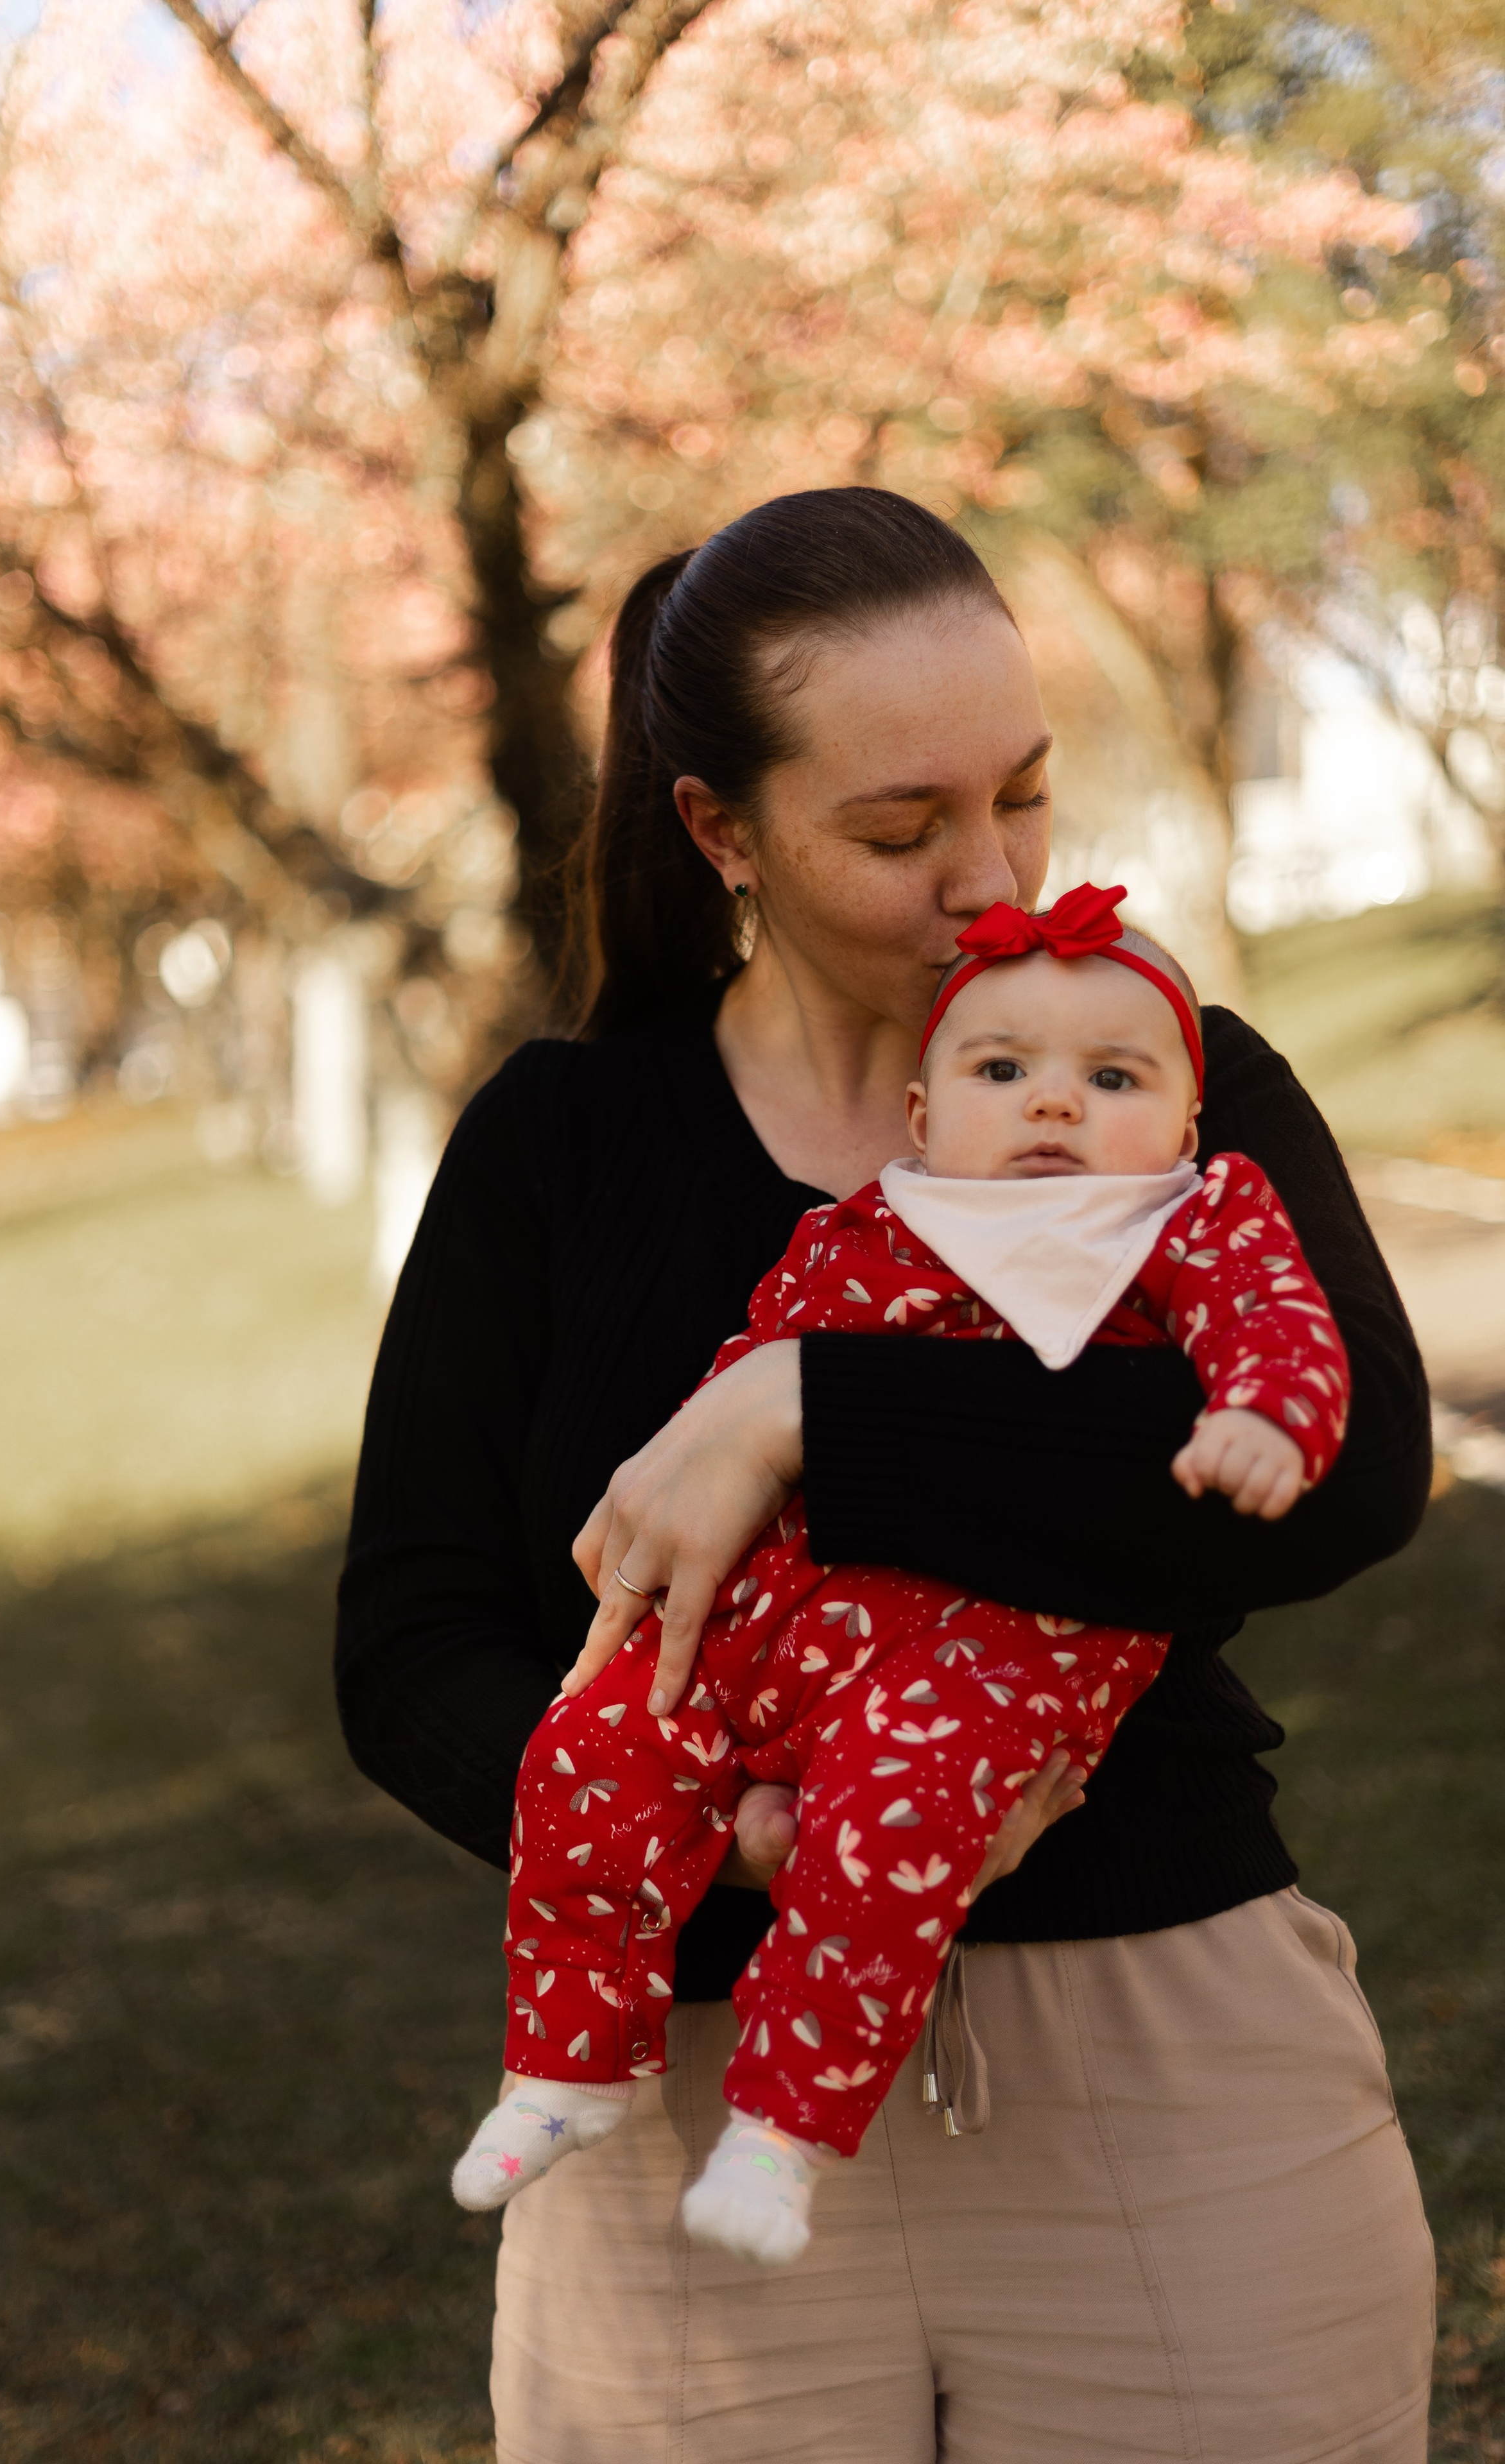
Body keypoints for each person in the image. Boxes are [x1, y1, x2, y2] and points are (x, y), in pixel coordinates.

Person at [337, 488, 1436, 2460]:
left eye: (1023, 794)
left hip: (1167, 2072)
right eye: (902, 829)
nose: (992, 877)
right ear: (723, 831)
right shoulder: (564, 1145)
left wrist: (807, 1409)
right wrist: (723, 1841)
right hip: (684, 2121)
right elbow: (411, 1646)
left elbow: (1347, 1472)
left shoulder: (1166, 1082)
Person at [449, 885, 1350, 2270]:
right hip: (772, 1625)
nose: (1054, 1103)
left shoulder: (1183, 1224)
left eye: (1113, 1080)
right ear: (923, 1119)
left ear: (1185, 1126)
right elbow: (730, 1405)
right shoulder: (867, 1228)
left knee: (892, 1817)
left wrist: (1265, 1416)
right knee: (594, 1745)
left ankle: (782, 2128)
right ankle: (566, 2063)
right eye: (1002, 1071)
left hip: (998, 1649)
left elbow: (1279, 1322)